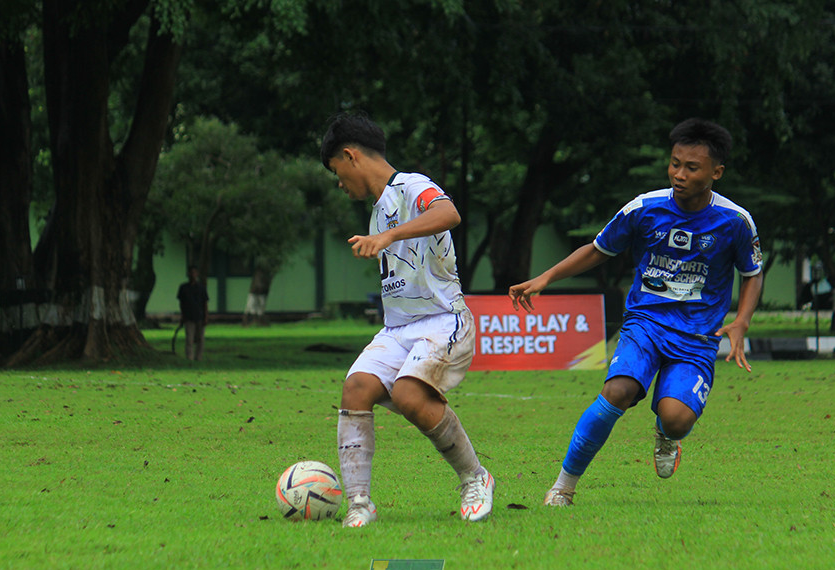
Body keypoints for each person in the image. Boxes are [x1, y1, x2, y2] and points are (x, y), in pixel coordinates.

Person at [508, 118, 764, 506]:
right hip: (646, 323)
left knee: (676, 417)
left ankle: (666, 434)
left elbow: (752, 274)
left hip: (697, 337)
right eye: (675, 163)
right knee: (617, 391)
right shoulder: (645, 208)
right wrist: (546, 278)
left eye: (691, 168)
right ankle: (563, 486)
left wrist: (741, 321)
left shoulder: (735, 221)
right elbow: (598, 249)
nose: (679, 174)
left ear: (716, 172)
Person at [320, 111, 495, 527]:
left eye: (336, 172)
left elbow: (449, 214)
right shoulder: (379, 209)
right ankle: (359, 503)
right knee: (356, 389)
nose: (340, 184)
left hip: (443, 319)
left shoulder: (410, 185)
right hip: (399, 328)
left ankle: (476, 478)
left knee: (409, 397)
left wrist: (389, 236)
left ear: (350, 155)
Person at [176, 266, 209, 361]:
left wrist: (206, 316)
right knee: (189, 339)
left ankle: (198, 357)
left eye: (195, 272)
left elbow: (205, 303)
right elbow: (181, 303)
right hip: (188, 317)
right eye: (191, 273)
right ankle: (189, 357)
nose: (193, 275)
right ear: (188, 274)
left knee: (200, 339)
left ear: (197, 274)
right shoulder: (183, 288)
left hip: (200, 316)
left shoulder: (202, 288)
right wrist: (182, 316)